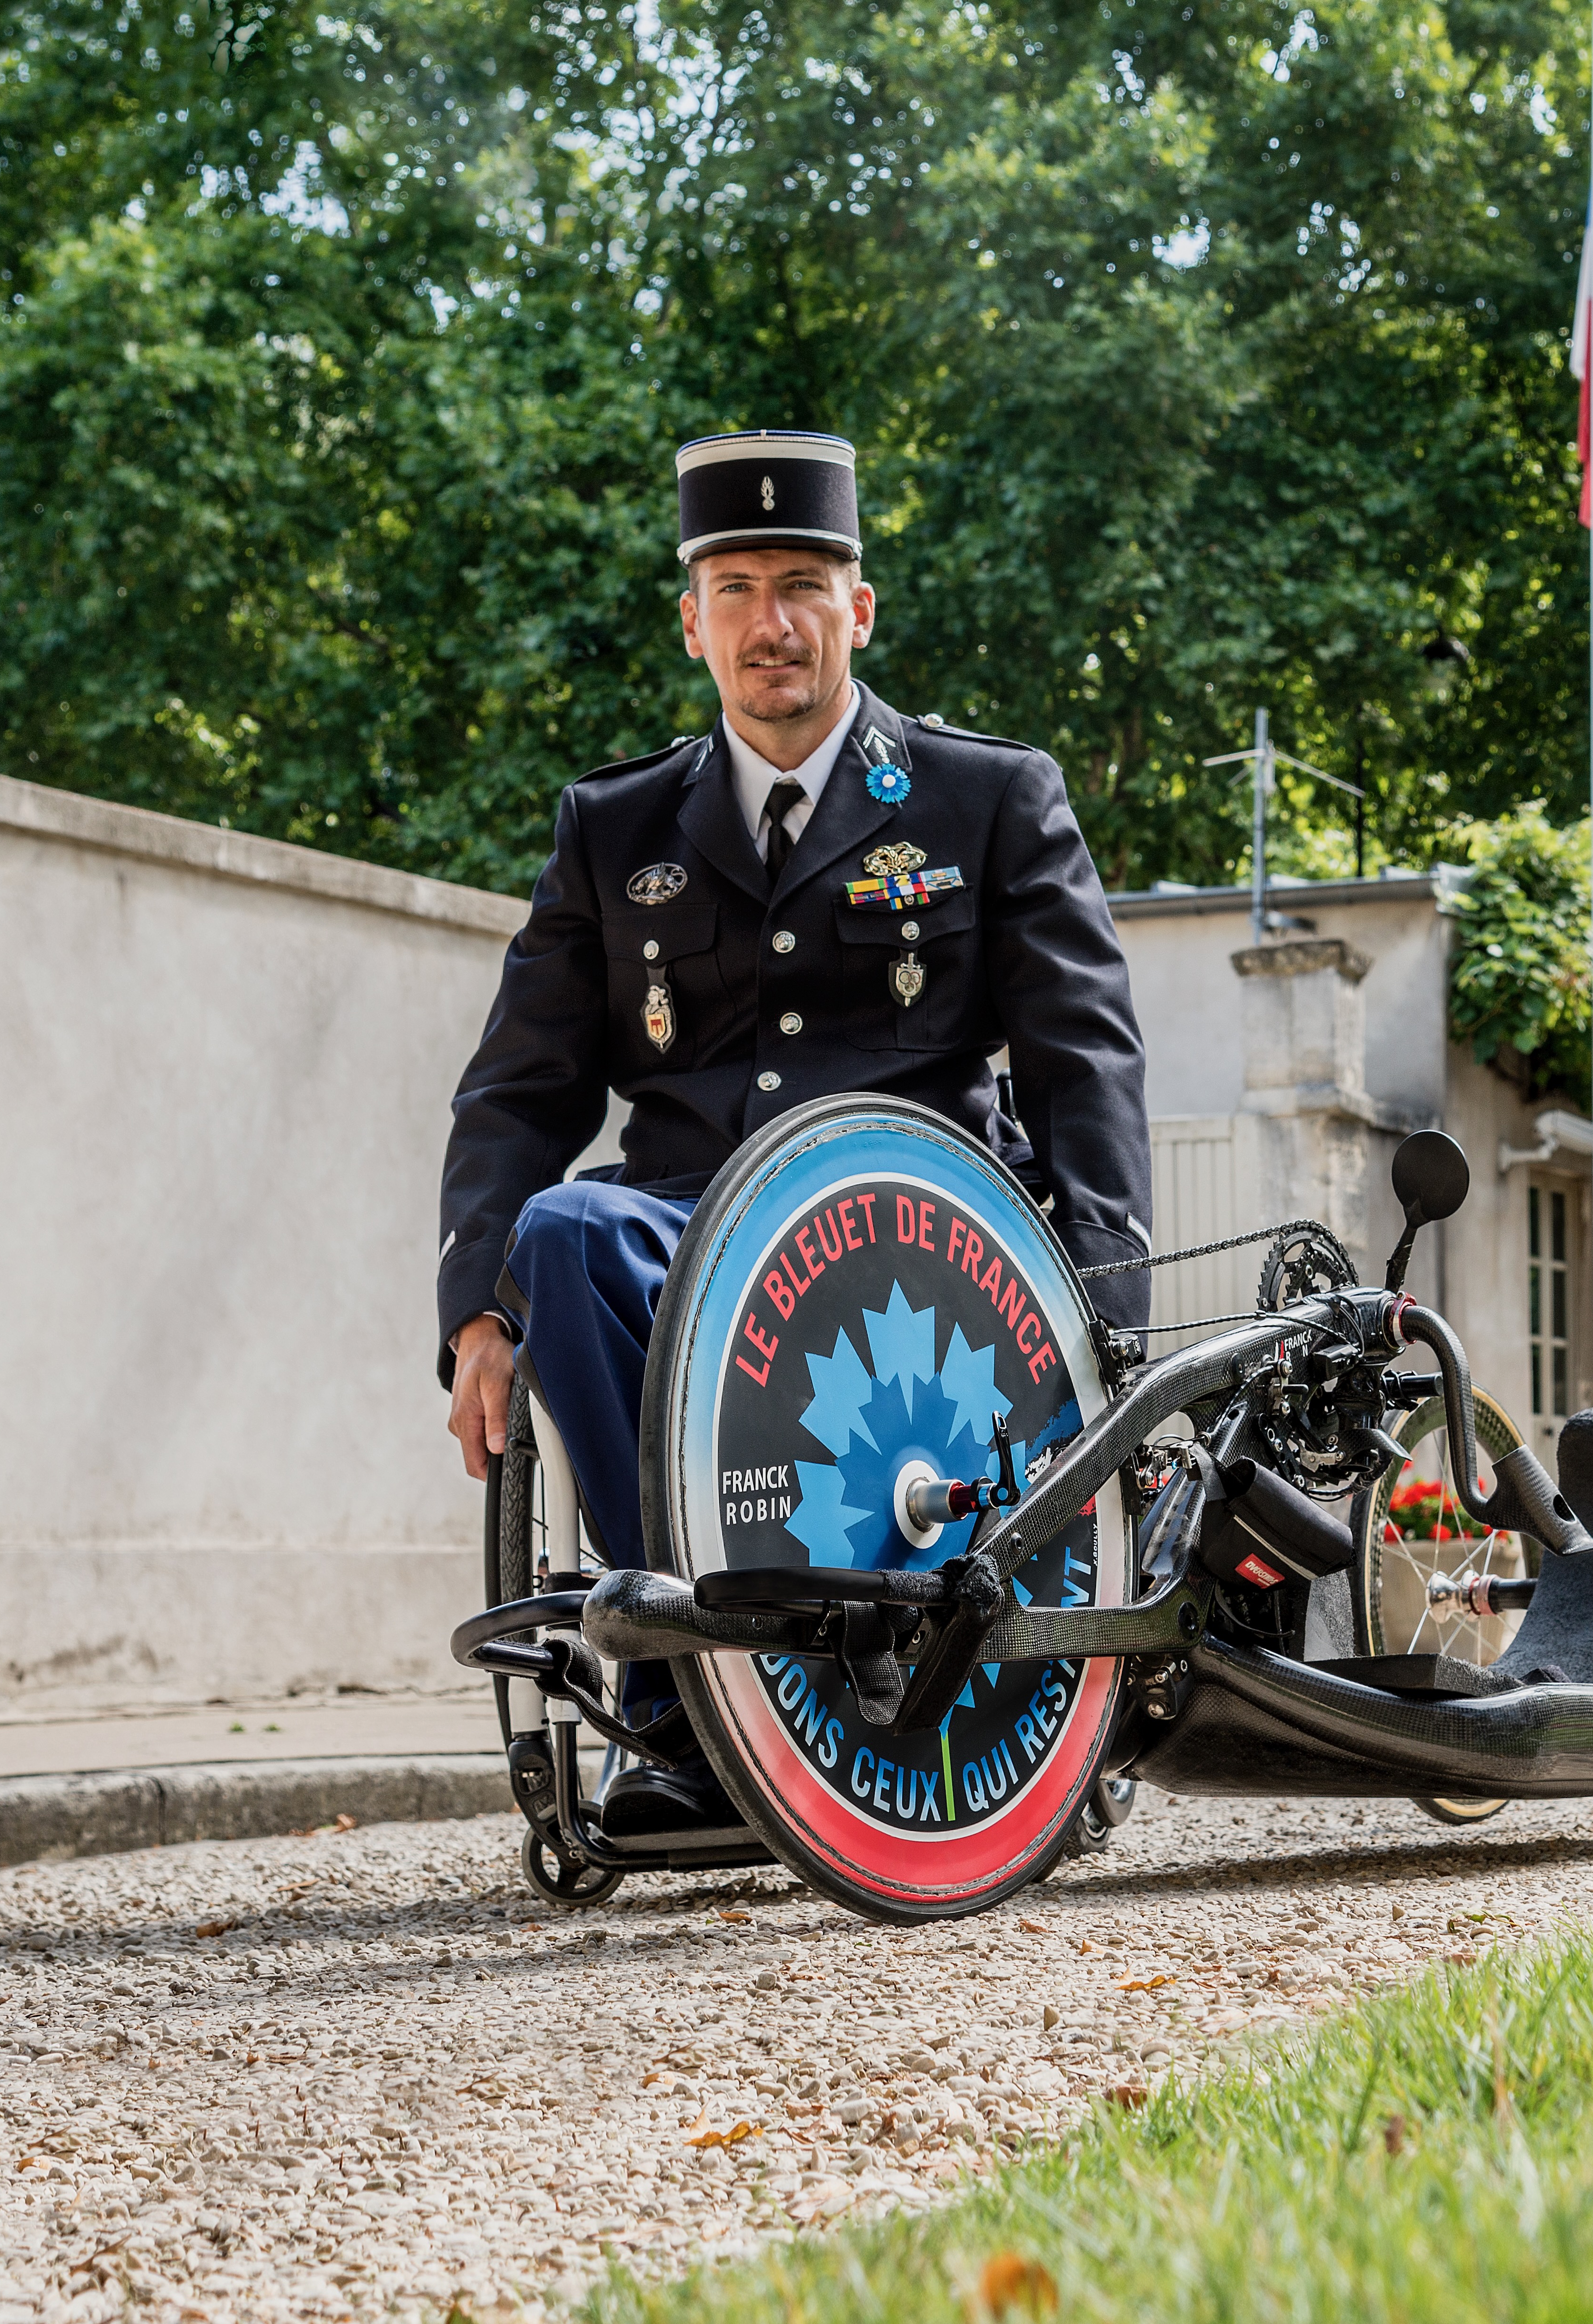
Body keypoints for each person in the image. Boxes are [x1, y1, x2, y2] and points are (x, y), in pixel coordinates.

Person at [435, 428, 1152, 1835]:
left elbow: (1087, 1064)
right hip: (694, 1247)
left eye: (807, 582)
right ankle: (692, 1716)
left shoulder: (987, 800)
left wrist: (1106, 1318)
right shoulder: (611, 829)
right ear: (692, 617)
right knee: (565, 1231)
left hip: (920, 1252)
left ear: (860, 609)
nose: (775, 621)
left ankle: (905, 1676)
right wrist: (473, 1311)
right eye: (741, 585)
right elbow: (517, 1088)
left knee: (666, 1248)